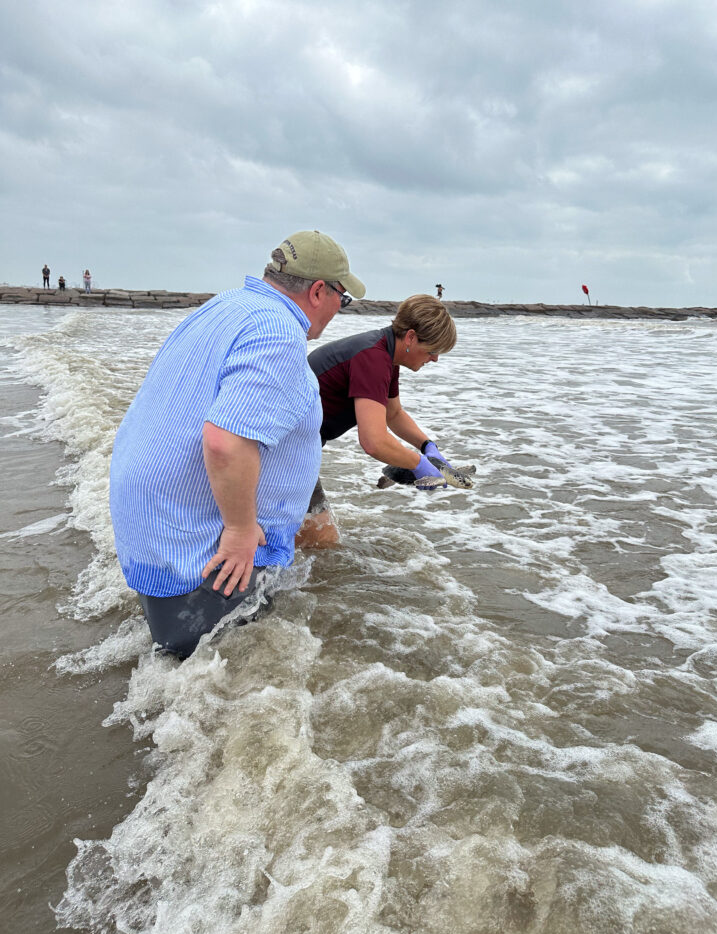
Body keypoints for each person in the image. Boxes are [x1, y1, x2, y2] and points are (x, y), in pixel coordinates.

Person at [109, 230, 365, 659]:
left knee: (176, 656)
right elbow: (226, 441)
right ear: (319, 290)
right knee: (219, 668)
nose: (342, 308)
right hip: (192, 536)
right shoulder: (279, 333)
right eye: (344, 297)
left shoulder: (224, 306)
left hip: (152, 520)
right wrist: (241, 531)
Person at [297, 295, 458, 547]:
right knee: (322, 543)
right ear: (411, 337)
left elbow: (392, 414)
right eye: (433, 350)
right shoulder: (373, 358)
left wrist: (427, 445)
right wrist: (418, 464)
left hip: (296, 445)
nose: (435, 358)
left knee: (304, 539)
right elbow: (373, 441)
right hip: (282, 447)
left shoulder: (385, 354)